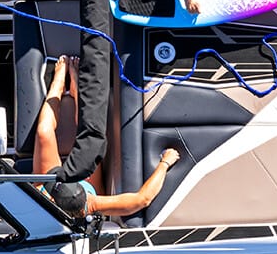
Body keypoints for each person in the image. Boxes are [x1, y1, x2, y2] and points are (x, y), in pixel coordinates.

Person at [34, 55, 180, 219]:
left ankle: (58, 85)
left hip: (51, 191)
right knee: (91, 138)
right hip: (86, 190)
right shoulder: (91, 203)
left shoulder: (41, 197)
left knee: (43, 132)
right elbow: (142, 199)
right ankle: (76, 93)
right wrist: (165, 163)